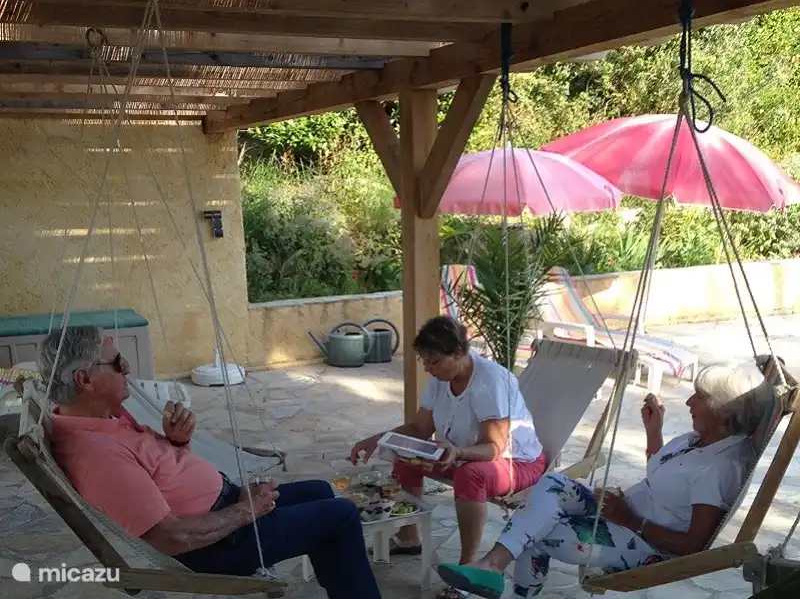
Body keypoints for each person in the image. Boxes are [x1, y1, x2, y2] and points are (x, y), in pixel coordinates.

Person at [40, 326, 382, 599]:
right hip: (216, 544)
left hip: (221, 510)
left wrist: (177, 441)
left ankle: (344, 586)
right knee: (341, 516)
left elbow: (158, 472)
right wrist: (247, 511)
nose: (127, 368)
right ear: (85, 380)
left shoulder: (102, 417)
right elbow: (169, 537)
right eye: (116, 363)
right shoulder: (98, 457)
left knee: (319, 492)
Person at [435, 362, 774, 599]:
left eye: (699, 397)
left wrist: (629, 518)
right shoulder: (699, 439)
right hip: (623, 515)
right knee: (552, 483)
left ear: (724, 412)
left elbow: (693, 547)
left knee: (536, 533)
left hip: (645, 543)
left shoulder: (721, 468)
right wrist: (653, 433)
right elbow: (664, 475)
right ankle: (492, 566)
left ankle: (494, 570)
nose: (688, 402)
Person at [350, 316, 547, 599]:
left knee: (471, 475)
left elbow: (494, 448)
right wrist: (378, 438)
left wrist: (458, 453)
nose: (429, 370)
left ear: (458, 353)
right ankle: (409, 536)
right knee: (406, 454)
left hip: (518, 462)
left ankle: (468, 568)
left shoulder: (491, 381)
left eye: (435, 362)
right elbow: (419, 429)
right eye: (425, 362)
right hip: (462, 454)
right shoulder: (440, 381)